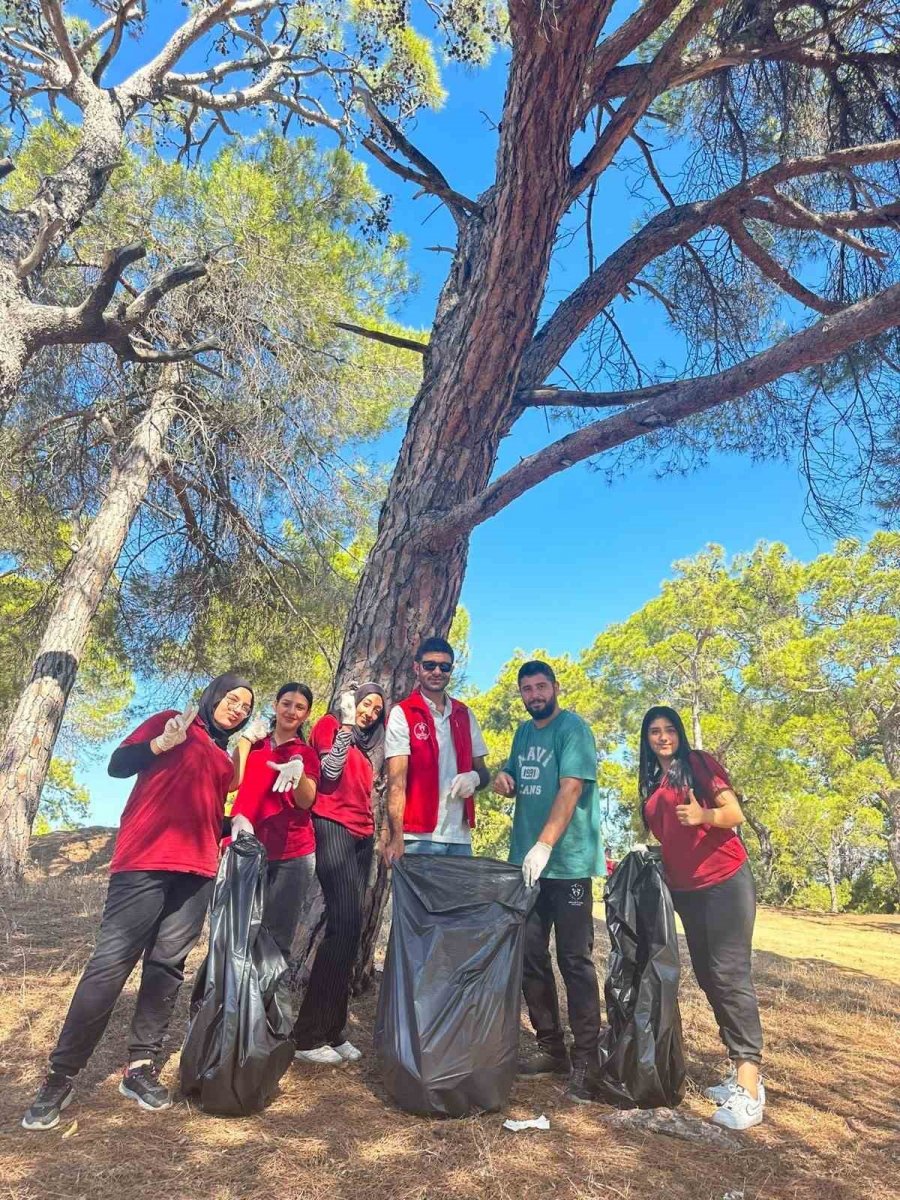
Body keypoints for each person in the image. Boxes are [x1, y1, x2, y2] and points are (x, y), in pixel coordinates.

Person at [22, 673, 255, 1131]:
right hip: (145, 860)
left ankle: (140, 1067)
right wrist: (158, 746)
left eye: (246, 706)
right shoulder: (172, 722)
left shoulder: (225, 759)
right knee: (110, 964)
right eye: (232, 698)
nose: (238, 708)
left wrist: (235, 825)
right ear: (212, 696)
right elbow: (117, 765)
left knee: (167, 965)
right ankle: (60, 1076)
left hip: (198, 871)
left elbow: (203, 810)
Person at [638, 704, 765, 1131]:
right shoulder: (653, 782)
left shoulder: (697, 764)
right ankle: (737, 1070)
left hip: (725, 881)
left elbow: (734, 814)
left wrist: (703, 815)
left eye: (669, 729)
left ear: (679, 734)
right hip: (687, 894)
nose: (662, 737)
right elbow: (670, 839)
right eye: (654, 731)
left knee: (729, 975)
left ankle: (750, 1086)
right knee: (710, 978)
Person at [493, 660, 604, 1104]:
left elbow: (571, 788)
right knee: (530, 957)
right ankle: (550, 1046)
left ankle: (588, 1057)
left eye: (541, 686)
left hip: (568, 864)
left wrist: (544, 844)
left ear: (555, 688)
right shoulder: (523, 734)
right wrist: (503, 780)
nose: (534, 694)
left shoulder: (573, 730)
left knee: (575, 960)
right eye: (527, 689)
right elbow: (515, 777)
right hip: (527, 867)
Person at [292, 681, 387, 1065]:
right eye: (367, 704)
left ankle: (334, 1028)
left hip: (363, 837)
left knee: (352, 931)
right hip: (333, 828)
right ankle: (307, 1036)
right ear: (354, 703)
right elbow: (329, 774)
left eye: (377, 709)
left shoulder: (365, 753)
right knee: (342, 926)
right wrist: (347, 724)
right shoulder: (331, 726)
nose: (371, 712)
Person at [228, 682, 321, 961]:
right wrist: (244, 740)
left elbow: (307, 801)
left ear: (306, 715)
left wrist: (298, 775)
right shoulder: (254, 745)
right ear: (275, 705)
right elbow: (233, 782)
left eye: (300, 707)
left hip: (292, 854)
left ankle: (265, 1002)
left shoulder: (306, 754)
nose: (291, 711)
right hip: (247, 849)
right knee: (237, 933)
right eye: (286, 704)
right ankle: (233, 1001)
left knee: (276, 939)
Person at [382, 636, 489, 861]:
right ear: (417, 667)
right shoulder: (403, 714)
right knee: (414, 899)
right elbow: (396, 782)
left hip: (459, 838)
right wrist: (396, 836)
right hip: (417, 838)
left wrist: (474, 778)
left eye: (444, 666)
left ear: (451, 670)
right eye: (430, 665)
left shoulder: (465, 715)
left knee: (460, 899)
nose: (437, 671)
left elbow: (484, 773)